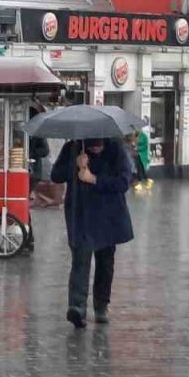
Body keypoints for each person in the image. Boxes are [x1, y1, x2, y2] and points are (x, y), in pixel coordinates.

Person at [51, 137, 134, 329]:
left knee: (105, 262)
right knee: (80, 259)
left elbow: (123, 182)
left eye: (99, 146)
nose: (96, 149)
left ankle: (101, 306)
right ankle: (77, 307)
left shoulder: (116, 149)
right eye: (92, 147)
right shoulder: (73, 148)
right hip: (80, 213)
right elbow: (56, 175)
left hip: (107, 215)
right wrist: (75, 164)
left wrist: (94, 179)